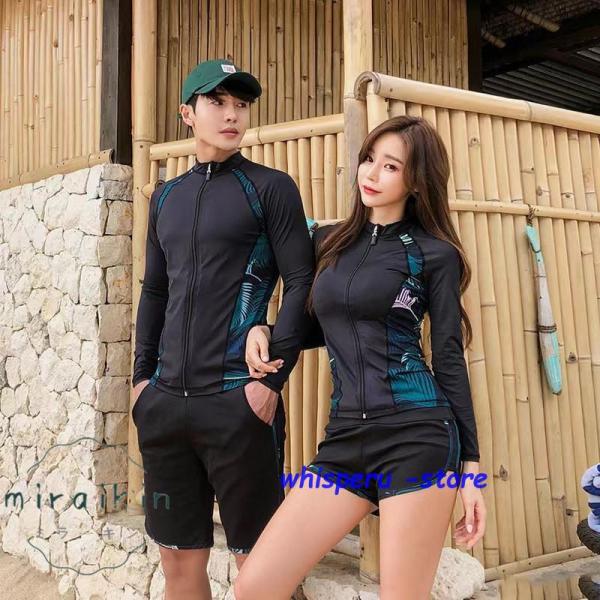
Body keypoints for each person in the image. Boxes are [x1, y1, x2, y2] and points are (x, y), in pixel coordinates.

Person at [235, 115, 486, 600]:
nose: (371, 173)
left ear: (417, 181)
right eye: (369, 159)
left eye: (390, 166)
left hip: (417, 437)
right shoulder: (328, 243)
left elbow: (448, 357)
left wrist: (471, 468)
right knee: (255, 586)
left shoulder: (434, 254)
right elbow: (324, 325)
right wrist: (263, 329)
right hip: (345, 440)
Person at [131, 59, 314, 600]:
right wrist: (141, 382)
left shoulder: (271, 188)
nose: (232, 115)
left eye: (241, 105)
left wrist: (270, 383)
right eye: (217, 102)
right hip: (164, 405)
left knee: (256, 569)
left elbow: (301, 282)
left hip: (239, 402)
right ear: (187, 113)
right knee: (177, 562)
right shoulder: (165, 197)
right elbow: (155, 291)